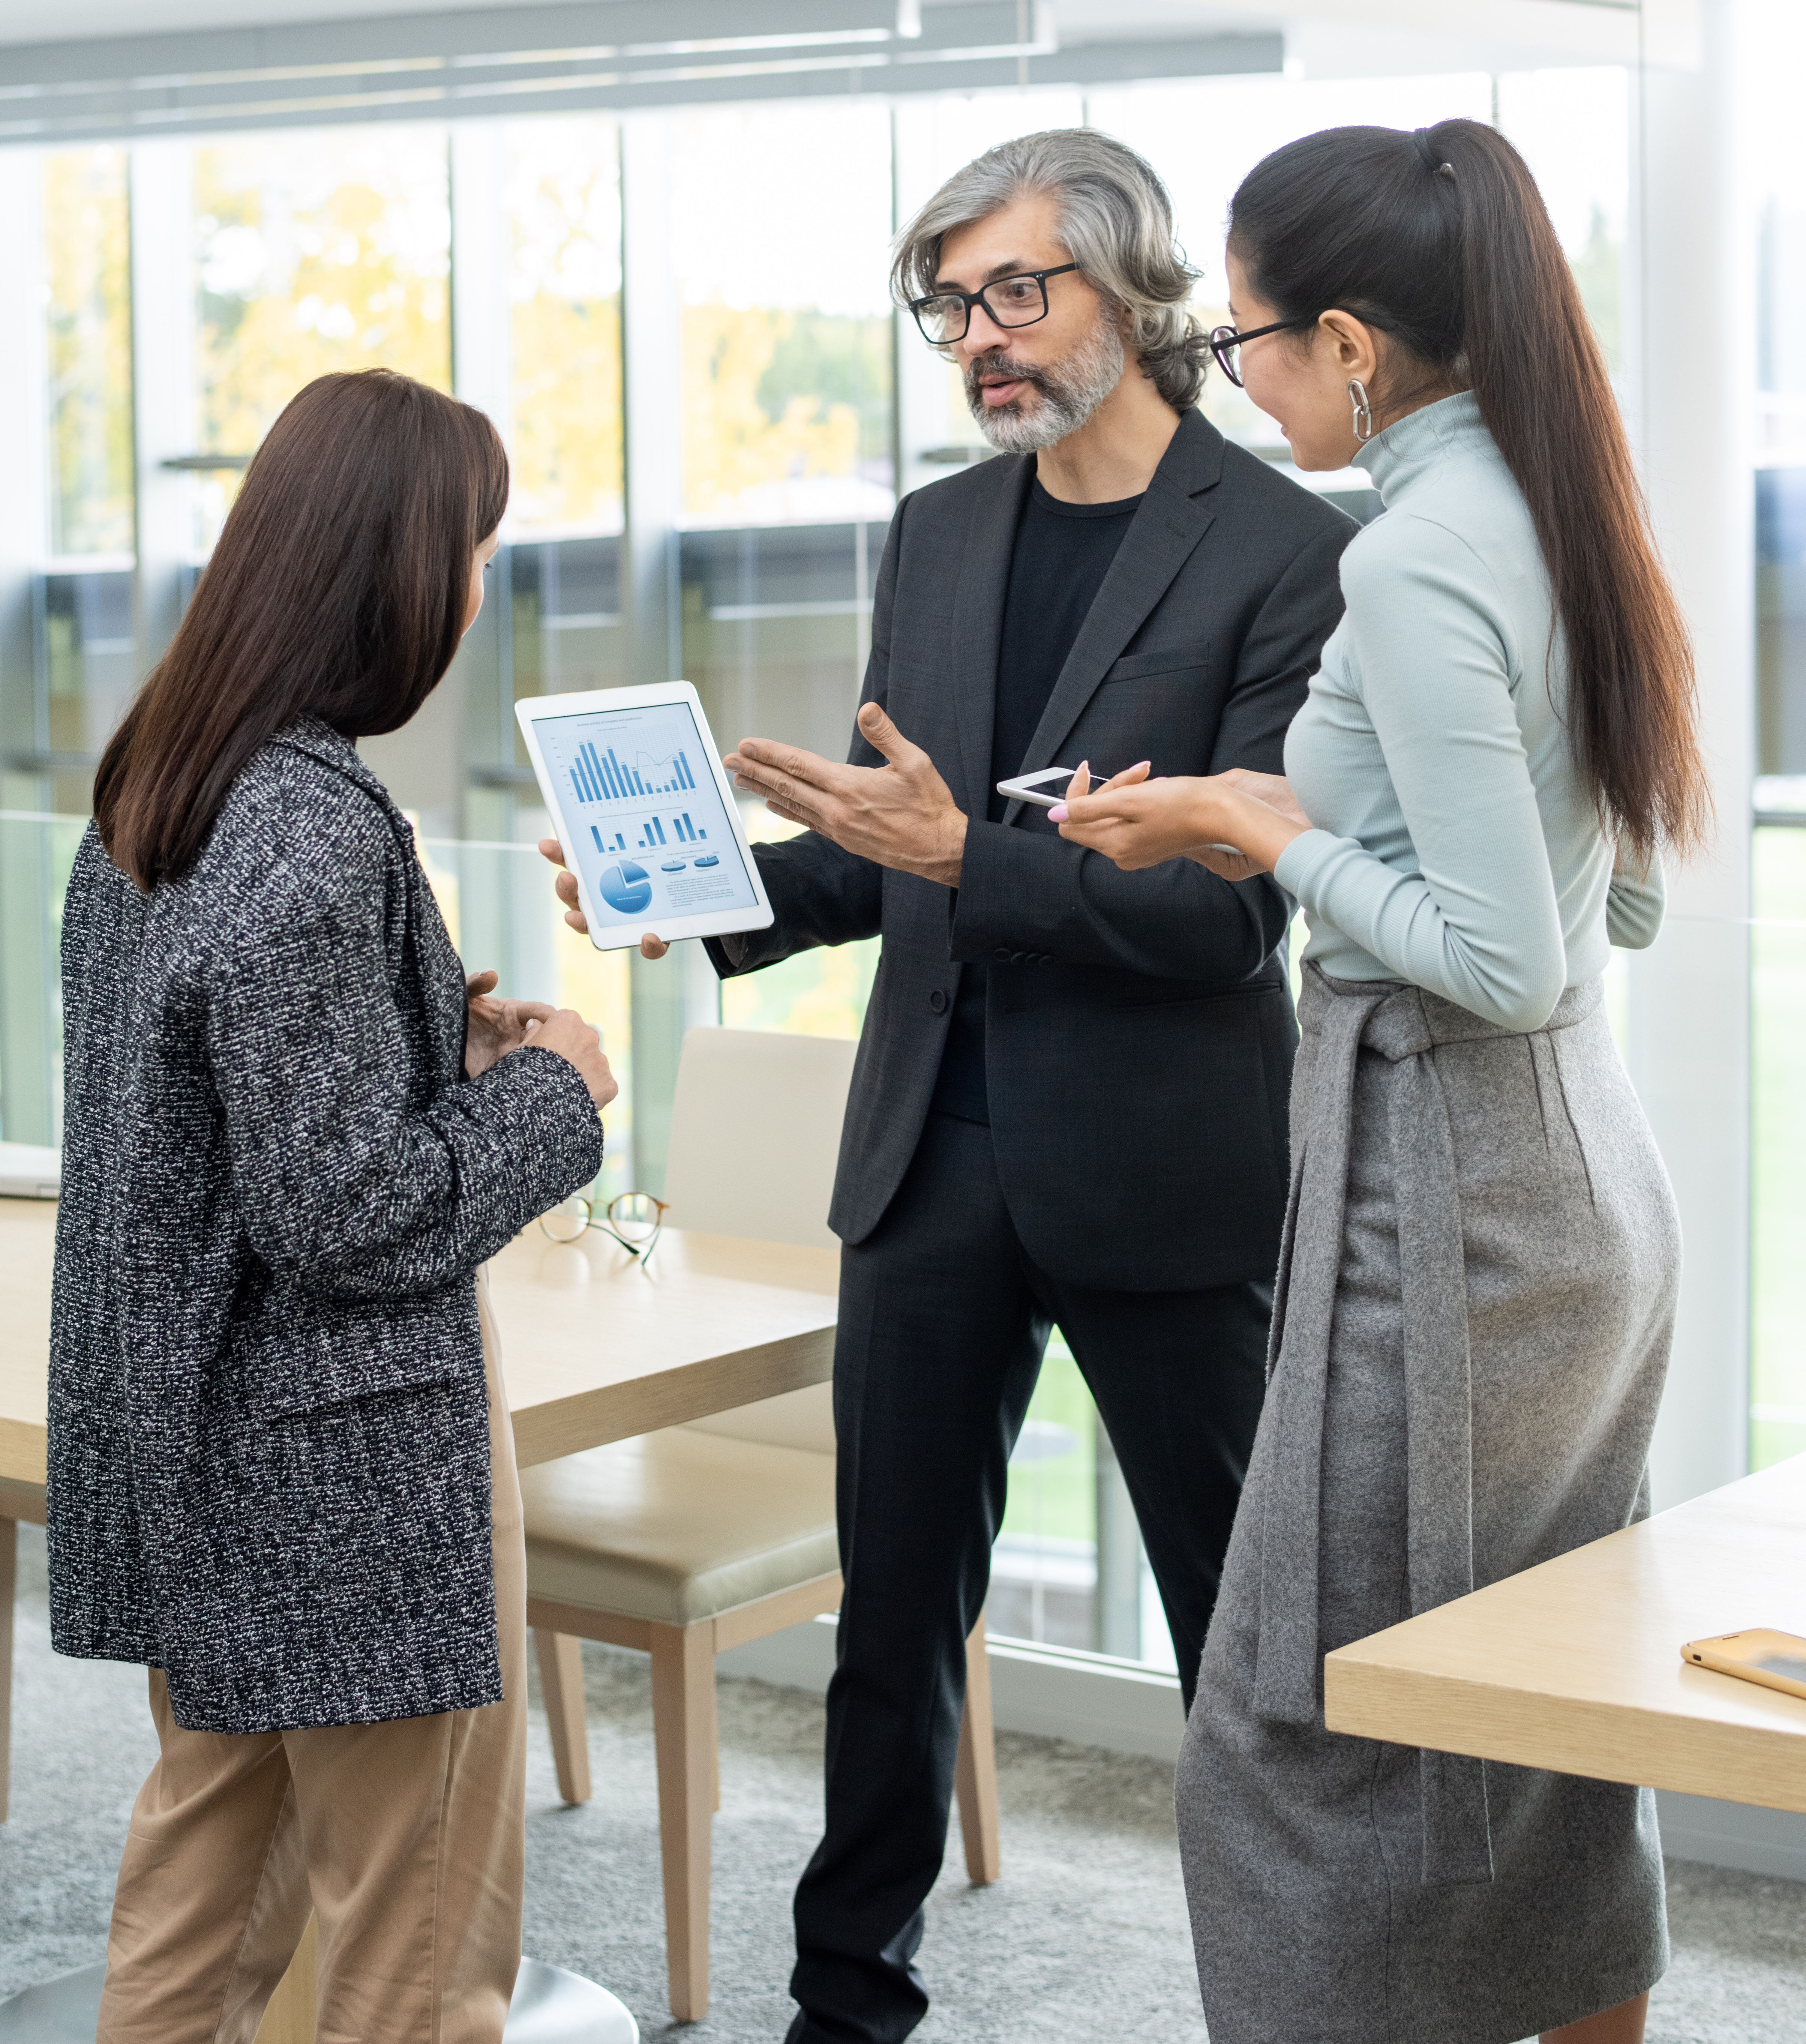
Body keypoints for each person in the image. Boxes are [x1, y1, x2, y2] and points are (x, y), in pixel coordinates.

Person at [544, 126, 1354, 2044]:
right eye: (949, 305)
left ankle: (1322, 1997)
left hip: (1160, 1171)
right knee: (890, 1627)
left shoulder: (1289, 553)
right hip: (928, 1157)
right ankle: (846, 2010)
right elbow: (896, 845)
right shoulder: (936, 530)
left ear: (1130, 292)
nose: (979, 338)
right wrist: (709, 897)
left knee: (1241, 1643)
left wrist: (949, 857)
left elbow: (1228, 922)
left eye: (1015, 292)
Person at [1053, 119, 1707, 2044]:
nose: (1236, 382)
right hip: (1579, 1177)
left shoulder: (1415, 556)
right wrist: (1276, 816)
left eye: (1242, 340)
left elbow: (1501, 963)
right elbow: (1619, 903)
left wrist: (1268, 836)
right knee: (1540, 1709)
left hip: (1451, 1191)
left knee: (1285, 1742)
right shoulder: (1556, 498)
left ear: (1347, 344)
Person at [50, 368, 616, 2044]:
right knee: (416, 1949)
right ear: (399, 568)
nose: (480, 587)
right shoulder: (310, 825)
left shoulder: (162, 782)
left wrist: (431, 1039)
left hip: (197, 1436)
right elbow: (347, 1213)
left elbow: (203, 1114)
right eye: (479, 552)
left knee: (207, 1898)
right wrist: (553, 1091)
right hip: (339, 1465)